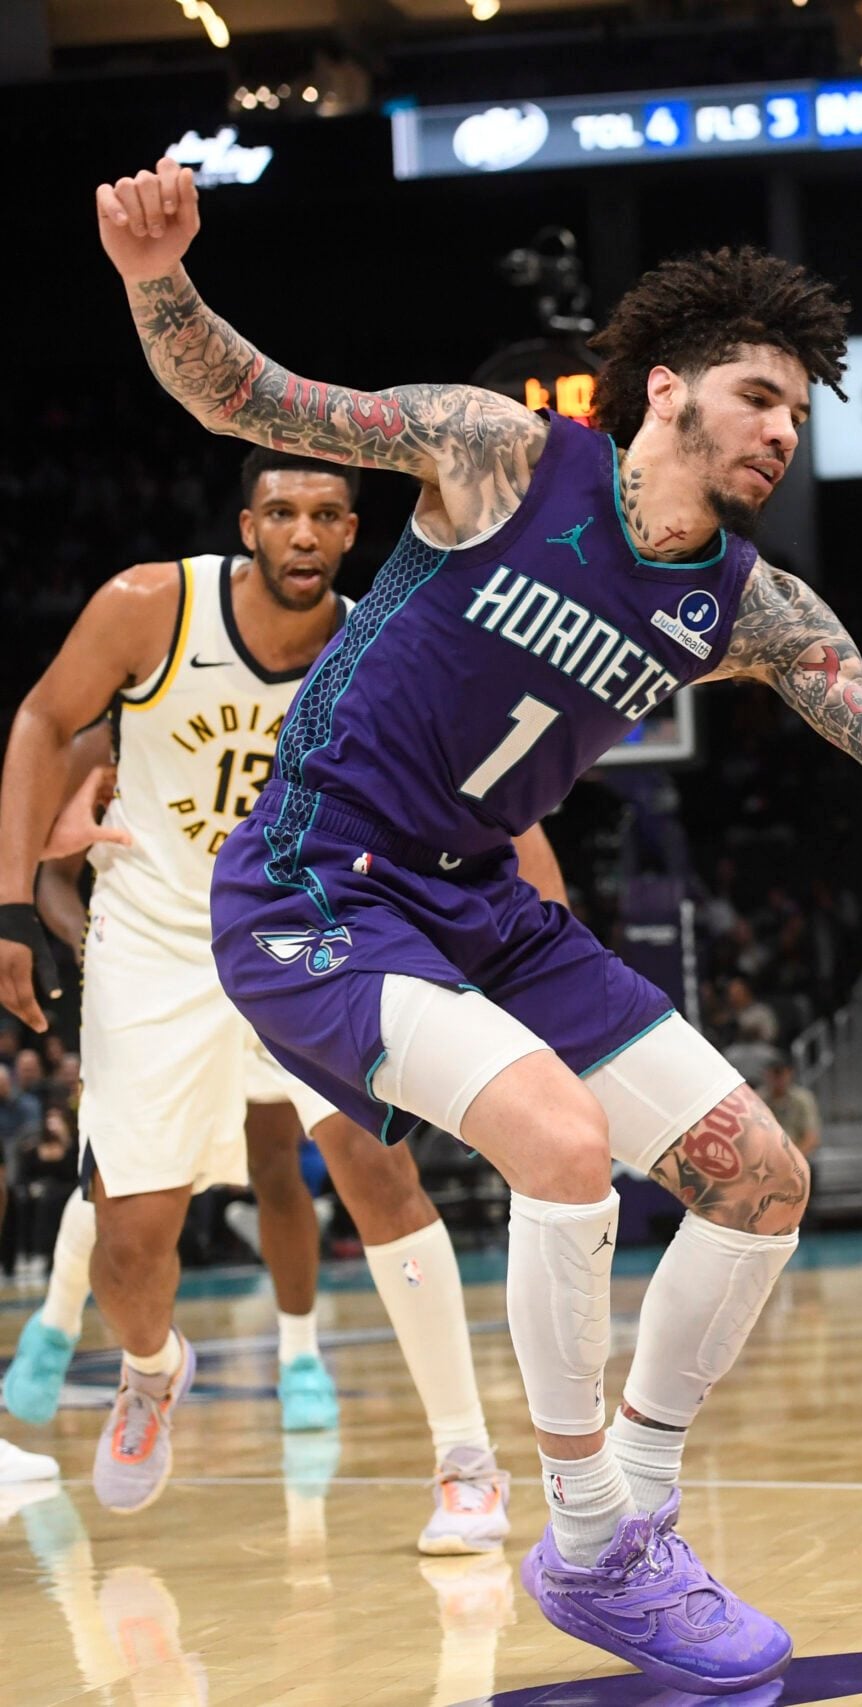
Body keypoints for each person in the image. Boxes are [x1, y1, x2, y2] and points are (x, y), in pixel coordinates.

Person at [85, 155, 862, 1695]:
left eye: (799, 416)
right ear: (663, 389)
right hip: (315, 883)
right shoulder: (494, 456)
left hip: (477, 899)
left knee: (761, 1175)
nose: (781, 432)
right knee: (558, 1138)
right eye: (758, 396)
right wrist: (158, 276)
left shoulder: (750, 604)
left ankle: (637, 1510)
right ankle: (589, 1523)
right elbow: (258, 402)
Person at [0, 448, 525, 1554]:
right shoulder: (153, 607)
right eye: (280, 511)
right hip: (155, 943)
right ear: (248, 523)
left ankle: (466, 1460)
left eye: (324, 515)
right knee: (132, 1246)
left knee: (377, 1168)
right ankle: (153, 1373)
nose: (300, 532)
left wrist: (524, 965)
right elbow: (46, 725)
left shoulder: (381, 646)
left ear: (349, 533)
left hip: (306, 933)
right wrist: (15, 904)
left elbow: (503, 806)